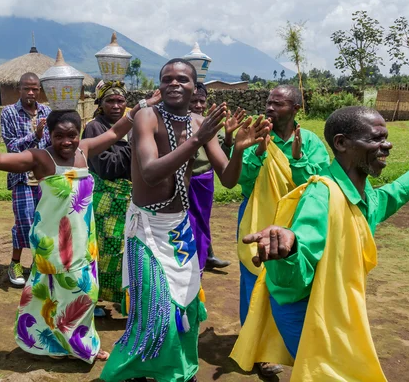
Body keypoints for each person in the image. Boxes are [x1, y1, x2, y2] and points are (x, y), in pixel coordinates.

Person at [230, 106, 409, 380]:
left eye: (385, 137)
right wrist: (289, 250)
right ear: (341, 143)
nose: (387, 145)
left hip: (334, 306)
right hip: (305, 310)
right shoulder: (322, 195)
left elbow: (383, 201)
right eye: (376, 139)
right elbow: (297, 268)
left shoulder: (358, 192)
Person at [100, 59, 270, 382]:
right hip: (147, 228)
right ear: (160, 86)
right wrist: (197, 138)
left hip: (179, 227)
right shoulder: (146, 118)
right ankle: (137, 369)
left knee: (186, 306)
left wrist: (238, 150)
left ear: (194, 87)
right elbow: (149, 172)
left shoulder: (198, 121)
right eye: (167, 79)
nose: (174, 83)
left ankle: (179, 368)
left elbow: (229, 179)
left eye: (182, 79)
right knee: (154, 308)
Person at [0, 106, 137, 362]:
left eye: (72, 135)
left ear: (79, 133)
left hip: (84, 239)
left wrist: (142, 106)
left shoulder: (84, 151)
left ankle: (74, 343)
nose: (66, 141)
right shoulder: (41, 158)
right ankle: (57, 344)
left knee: (85, 294)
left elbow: (118, 129)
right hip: (52, 240)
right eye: (59, 136)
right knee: (58, 294)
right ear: (49, 135)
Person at [223, 85, 330, 376]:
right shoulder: (255, 135)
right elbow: (242, 182)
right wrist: (257, 151)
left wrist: (297, 160)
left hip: (294, 226)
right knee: (253, 284)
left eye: (278, 104)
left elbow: (317, 188)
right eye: (269, 102)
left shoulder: (310, 142)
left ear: (296, 109)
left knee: (288, 287)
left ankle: (287, 346)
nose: (270, 108)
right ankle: (256, 351)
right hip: (256, 220)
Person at [82, 81, 161, 312]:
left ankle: (124, 298)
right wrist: (132, 145)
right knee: (106, 251)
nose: (116, 106)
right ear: (100, 103)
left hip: (130, 198)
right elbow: (107, 166)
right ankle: (95, 300)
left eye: (120, 101)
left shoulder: (132, 126)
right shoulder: (95, 128)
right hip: (106, 200)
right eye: (110, 101)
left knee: (128, 250)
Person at [0, 72, 51, 286]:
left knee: (46, 223)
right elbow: (11, 147)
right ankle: (15, 263)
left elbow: (51, 144)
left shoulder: (47, 112)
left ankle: (40, 266)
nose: (31, 92)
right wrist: (35, 136)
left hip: (45, 179)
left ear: (40, 90)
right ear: (19, 88)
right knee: (24, 222)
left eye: (35, 88)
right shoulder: (9, 113)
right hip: (22, 178)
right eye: (27, 88)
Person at [188, 82, 238, 271]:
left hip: (204, 178)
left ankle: (204, 257)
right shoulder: (178, 122)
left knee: (201, 220)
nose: (199, 106)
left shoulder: (209, 124)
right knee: (188, 220)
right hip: (185, 179)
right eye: (194, 101)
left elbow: (222, 156)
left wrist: (228, 136)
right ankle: (198, 258)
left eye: (202, 101)